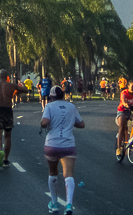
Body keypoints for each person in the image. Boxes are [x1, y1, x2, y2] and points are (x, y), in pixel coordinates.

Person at [40, 86, 83, 215]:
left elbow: (44, 122)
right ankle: (69, 205)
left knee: (53, 172)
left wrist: (43, 123)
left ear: (51, 97)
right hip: (68, 145)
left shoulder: (49, 106)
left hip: (52, 144)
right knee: (68, 174)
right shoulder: (71, 106)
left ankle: (54, 204)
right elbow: (81, 124)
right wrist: (69, 122)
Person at [0, 70, 26, 167]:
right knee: (8, 136)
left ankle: (0, 150)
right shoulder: (12, 85)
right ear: (7, 76)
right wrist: (21, 84)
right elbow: (25, 90)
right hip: (8, 110)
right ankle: (6, 160)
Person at [115, 77, 133, 155]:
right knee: (122, 127)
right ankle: (119, 148)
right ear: (128, 86)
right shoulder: (124, 92)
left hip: (131, 111)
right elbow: (123, 102)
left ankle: (132, 140)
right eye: (132, 86)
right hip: (122, 111)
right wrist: (127, 105)